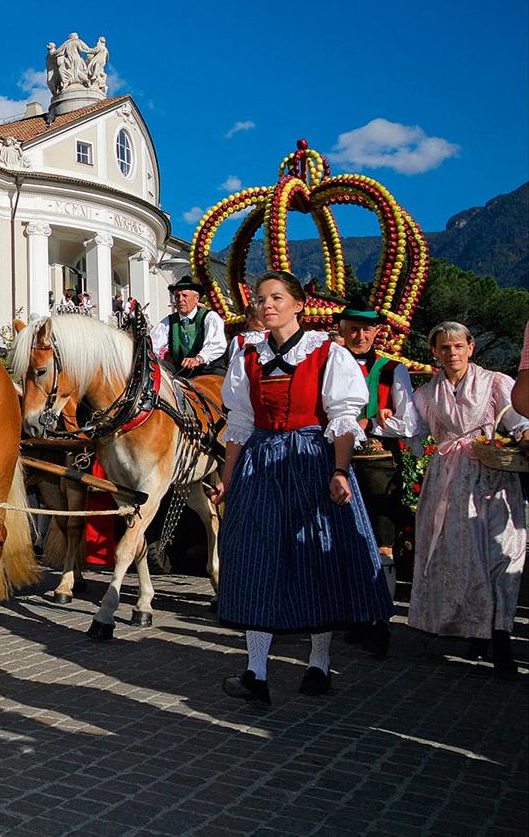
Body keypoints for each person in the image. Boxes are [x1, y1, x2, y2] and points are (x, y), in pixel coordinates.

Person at [213, 271, 393, 703]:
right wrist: (227, 478)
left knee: (316, 558)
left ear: (298, 304)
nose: (266, 305)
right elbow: (239, 423)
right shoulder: (247, 354)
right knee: (257, 559)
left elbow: (343, 417)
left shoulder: (327, 353)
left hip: (311, 459)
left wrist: (339, 471)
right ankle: (256, 672)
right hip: (261, 461)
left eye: (276, 298)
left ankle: (318, 662)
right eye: (260, 299)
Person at [409, 321, 528, 678]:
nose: (452, 353)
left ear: (471, 348)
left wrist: (521, 436)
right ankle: (477, 630)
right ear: (435, 353)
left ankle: (502, 635)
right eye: (444, 348)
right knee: (464, 557)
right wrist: (380, 418)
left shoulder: (495, 383)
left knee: (502, 554)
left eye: (458, 346)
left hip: (493, 477)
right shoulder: (426, 394)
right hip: (448, 481)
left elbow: (518, 421)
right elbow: (412, 431)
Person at [335, 304, 423, 615]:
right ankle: (347, 609)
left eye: (366, 329)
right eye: (354, 329)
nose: (360, 335)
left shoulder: (391, 370)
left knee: (382, 538)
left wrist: (371, 423)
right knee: (338, 539)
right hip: (335, 464)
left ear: (376, 333)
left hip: (380, 464)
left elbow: (411, 423)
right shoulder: (328, 366)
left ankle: (380, 615)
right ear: (343, 331)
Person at [151, 276, 227, 378]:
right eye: (177, 296)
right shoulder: (168, 322)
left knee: (222, 382)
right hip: (180, 370)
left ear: (196, 298)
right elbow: (152, 343)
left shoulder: (209, 317)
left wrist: (199, 358)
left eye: (184, 295)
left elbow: (217, 344)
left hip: (207, 369)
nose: (180, 299)